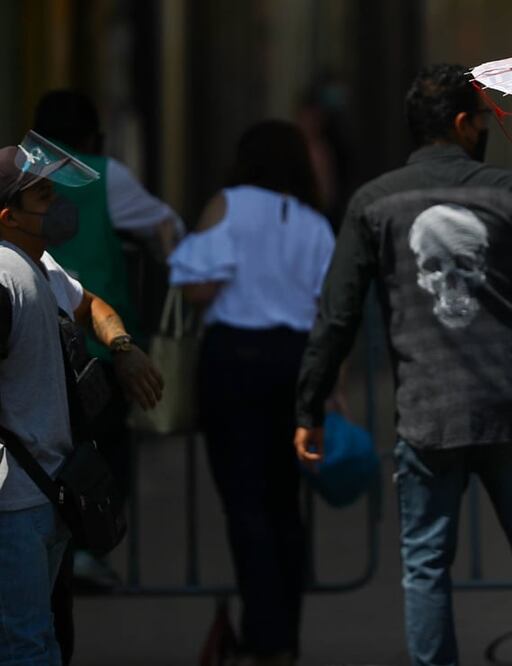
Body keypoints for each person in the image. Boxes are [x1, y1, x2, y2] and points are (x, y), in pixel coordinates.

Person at [294, 63, 512, 665]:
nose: (485, 130)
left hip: (428, 415)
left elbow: (338, 317)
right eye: (483, 120)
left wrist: (310, 404)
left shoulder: (375, 203)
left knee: (425, 564)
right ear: (461, 123)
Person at [169, 120, 335, 666]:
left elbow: (198, 288)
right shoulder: (314, 223)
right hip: (296, 364)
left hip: (234, 361)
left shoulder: (227, 206)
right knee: (285, 502)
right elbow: (328, 311)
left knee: (245, 502)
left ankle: (263, 636)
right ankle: (284, 634)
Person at [0, 135, 161, 665]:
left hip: (40, 497)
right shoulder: (7, 276)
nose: (60, 207)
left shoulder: (39, 267)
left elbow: (90, 302)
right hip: (19, 500)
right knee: (30, 644)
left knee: (34, 640)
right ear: (9, 216)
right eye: (44, 197)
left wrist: (122, 346)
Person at [33, 89, 185, 589]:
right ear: (93, 136)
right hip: (92, 353)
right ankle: (86, 549)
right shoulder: (102, 175)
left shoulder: (17, 170)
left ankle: (48, 551)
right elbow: (167, 226)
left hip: (32, 343)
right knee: (100, 451)